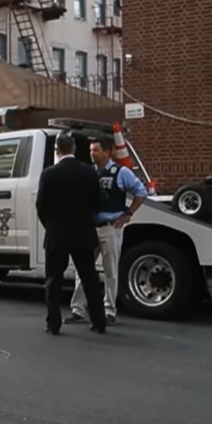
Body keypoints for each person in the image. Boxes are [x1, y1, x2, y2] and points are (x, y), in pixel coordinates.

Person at [66, 135, 149, 326]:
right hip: (90, 228)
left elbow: (141, 192)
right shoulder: (89, 172)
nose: (92, 154)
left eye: (95, 150)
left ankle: (109, 310)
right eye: (90, 151)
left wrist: (128, 213)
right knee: (83, 269)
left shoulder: (121, 173)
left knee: (110, 270)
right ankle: (78, 309)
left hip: (110, 227)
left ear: (107, 151)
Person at [36, 134, 107, 335]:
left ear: (58, 150)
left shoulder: (49, 174)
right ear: (74, 149)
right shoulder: (88, 172)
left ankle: (53, 324)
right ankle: (98, 321)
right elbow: (96, 202)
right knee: (89, 278)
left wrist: (50, 225)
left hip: (57, 234)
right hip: (83, 233)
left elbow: (41, 206)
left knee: (53, 280)